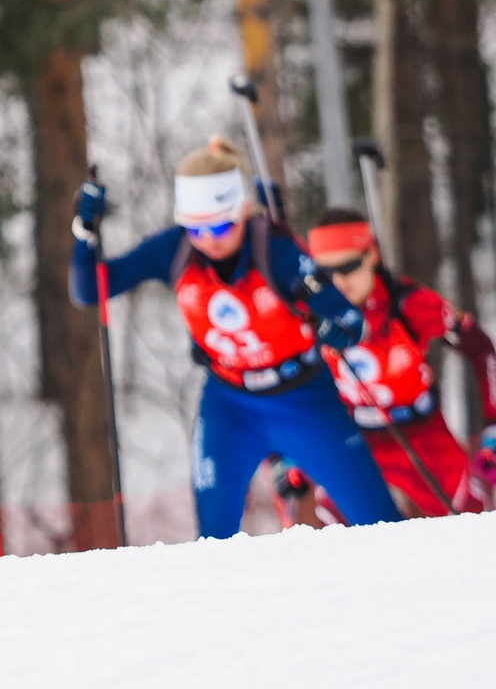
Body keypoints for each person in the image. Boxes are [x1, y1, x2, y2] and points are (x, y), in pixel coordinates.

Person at [70, 138, 400, 538]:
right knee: (213, 537)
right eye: (196, 228)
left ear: (242, 211)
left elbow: (348, 319)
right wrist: (85, 234)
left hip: (302, 400)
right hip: (229, 405)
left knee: (382, 526)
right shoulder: (173, 249)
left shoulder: (274, 250)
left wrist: (337, 327)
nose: (210, 239)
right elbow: (91, 290)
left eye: (221, 225)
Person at [307, 209, 496, 516]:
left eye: (349, 266)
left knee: (471, 520)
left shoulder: (410, 304)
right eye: (325, 274)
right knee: (326, 523)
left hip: (423, 434)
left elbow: (481, 349)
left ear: (372, 255)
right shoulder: (309, 315)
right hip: (357, 438)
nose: (339, 283)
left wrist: (492, 424)